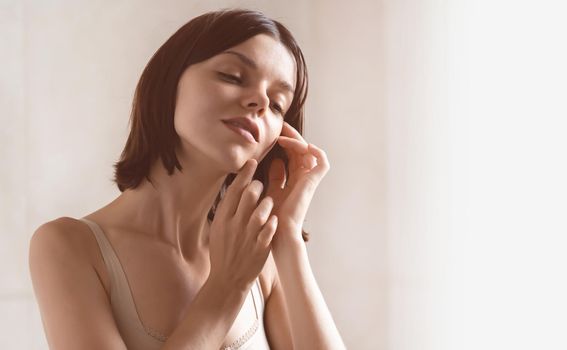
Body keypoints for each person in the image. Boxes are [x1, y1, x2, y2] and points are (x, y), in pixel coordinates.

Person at [29, 8, 346, 350]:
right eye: (232, 75)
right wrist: (226, 287)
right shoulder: (69, 247)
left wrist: (286, 237)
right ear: (169, 83)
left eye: (278, 104)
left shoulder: (260, 259)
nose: (259, 102)